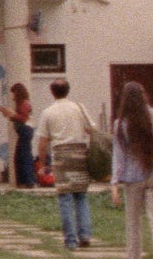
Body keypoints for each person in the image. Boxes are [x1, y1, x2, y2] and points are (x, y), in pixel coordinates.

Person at [108, 82, 153, 259]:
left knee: (133, 221)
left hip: (132, 178)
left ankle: (134, 255)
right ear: (144, 95)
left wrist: (114, 182)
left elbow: (119, 156)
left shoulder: (120, 124)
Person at [34, 78, 96, 250]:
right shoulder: (79, 108)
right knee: (81, 196)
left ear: (52, 92)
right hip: (80, 153)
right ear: (68, 90)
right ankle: (84, 234)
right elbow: (91, 129)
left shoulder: (48, 112)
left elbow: (43, 141)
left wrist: (42, 162)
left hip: (60, 154)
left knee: (65, 197)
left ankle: (70, 240)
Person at [0, 82, 36, 189]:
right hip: (23, 130)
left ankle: (28, 180)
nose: (13, 97)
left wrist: (12, 114)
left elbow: (24, 118)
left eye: (14, 94)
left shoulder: (25, 103)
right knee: (20, 156)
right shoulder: (22, 104)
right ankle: (24, 180)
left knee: (23, 155)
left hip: (25, 130)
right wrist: (9, 115)